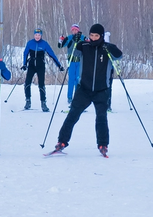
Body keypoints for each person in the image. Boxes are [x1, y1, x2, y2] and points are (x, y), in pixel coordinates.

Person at [48, 24, 124, 157]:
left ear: (101, 36)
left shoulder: (106, 49)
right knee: (72, 115)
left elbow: (119, 55)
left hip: (102, 90)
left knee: (101, 118)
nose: (93, 38)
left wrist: (110, 46)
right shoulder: (84, 46)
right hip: (84, 89)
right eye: (91, 35)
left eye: (96, 36)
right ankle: (62, 142)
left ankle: (103, 144)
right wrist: (75, 40)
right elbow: (72, 50)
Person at [20, 29, 64, 112]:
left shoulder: (44, 44)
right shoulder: (30, 43)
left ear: (41, 36)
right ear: (34, 35)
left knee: (41, 84)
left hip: (41, 66)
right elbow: (25, 53)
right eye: (36, 35)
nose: (37, 36)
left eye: (39, 35)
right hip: (31, 65)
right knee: (27, 83)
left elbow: (52, 54)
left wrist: (59, 65)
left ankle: (43, 103)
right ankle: (28, 101)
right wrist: (24, 64)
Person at [58, 25, 82, 102]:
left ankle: (77, 96)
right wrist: (60, 40)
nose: (75, 31)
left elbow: (88, 42)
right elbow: (60, 46)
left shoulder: (81, 37)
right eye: (73, 30)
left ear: (78, 30)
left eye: (76, 30)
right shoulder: (69, 38)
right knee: (71, 79)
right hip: (71, 60)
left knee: (78, 79)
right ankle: (69, 97)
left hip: (79, 60)